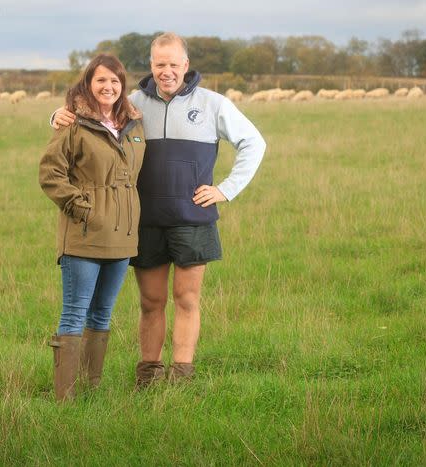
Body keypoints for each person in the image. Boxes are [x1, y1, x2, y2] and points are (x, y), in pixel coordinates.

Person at [51, 32, 265, 387]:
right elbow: (93, 116)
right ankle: (148, 374)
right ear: (151, 66)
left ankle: (182, 373)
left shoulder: (213, 103)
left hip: (192, 219)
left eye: (173, 64)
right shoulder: (132, 103)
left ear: (186, 64)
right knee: (151, 301)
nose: (166, 71)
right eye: (159, 64)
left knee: (186, 298)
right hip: (145, 221)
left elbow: (254, 142)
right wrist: (56, 116)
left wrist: (226, 190)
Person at [39, 54, 145, 401]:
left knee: (102, 314)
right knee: (74, 314)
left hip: (123, 236)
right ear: (88, 83)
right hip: (84, 234)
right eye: (101, 80)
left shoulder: (134, 125)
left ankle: (90, 388)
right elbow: (50, 174)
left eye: (115, 81)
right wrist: (82, 209)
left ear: (122, 86)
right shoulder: (72, 123)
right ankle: (65, 398)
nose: (108, 87)